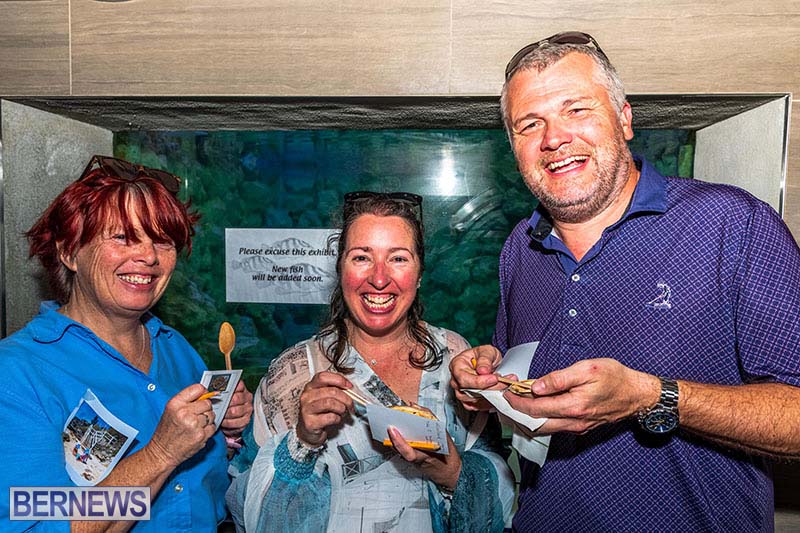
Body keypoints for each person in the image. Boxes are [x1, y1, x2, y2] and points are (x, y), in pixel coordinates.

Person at [449, 31, 800, 531]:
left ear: (625, 118)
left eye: (576, 109)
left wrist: (651, 396)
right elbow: (524, 384)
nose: (554, 138)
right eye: (530, 124)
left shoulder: (732, 223)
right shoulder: (520, 248)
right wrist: (485, 379)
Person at [227, 192, 514, 532]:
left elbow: (501, 496)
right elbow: (247, 511)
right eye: (362, 257)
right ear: (340, 269)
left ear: (420, 273)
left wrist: (448, 471)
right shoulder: (293, 372)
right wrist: (302, 443)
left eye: (398, 258)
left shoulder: (454, 358)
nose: (379, 278)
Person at [0, 155, 253, 531]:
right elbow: (39, 522)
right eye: (122, 237)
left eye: (163, 241)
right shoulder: (17, 374)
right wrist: (160, 453)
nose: (148, 256)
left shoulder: (176, 349)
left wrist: (227, 433)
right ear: (69, 252)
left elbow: (207, 490)